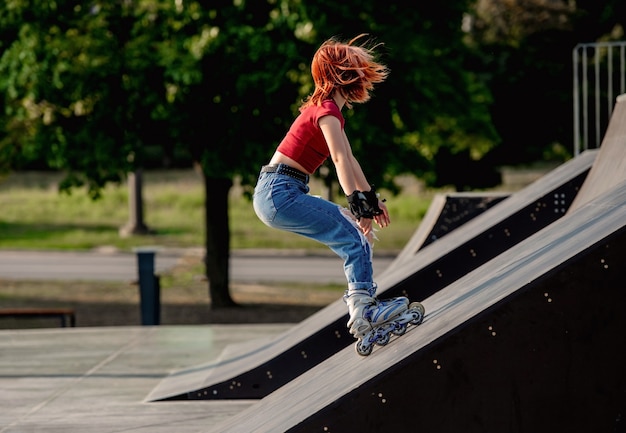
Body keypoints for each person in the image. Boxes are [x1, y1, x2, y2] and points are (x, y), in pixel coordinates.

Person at [253, 34, 421, 354]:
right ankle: (363, 311)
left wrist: (370, 201)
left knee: (357, 234)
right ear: (343, 75)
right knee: (353, 236)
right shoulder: (327, 110)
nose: (363, 75)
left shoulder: (328, 111)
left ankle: (364, 303)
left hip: (278, 191)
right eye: (357, 70)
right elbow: (340, 160)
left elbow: (350, 159)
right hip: (279, 191)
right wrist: (357, 205)